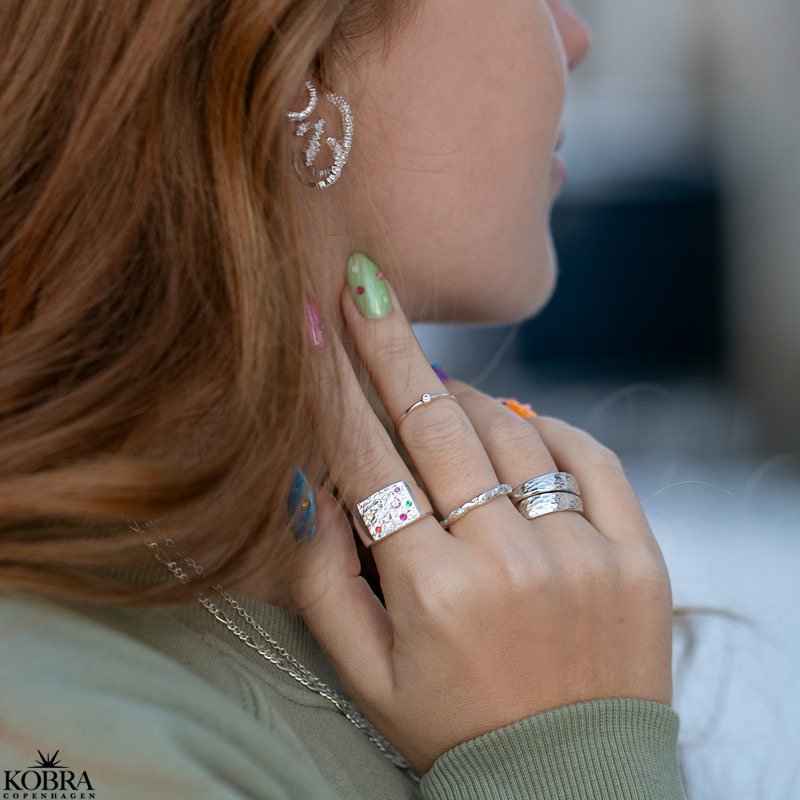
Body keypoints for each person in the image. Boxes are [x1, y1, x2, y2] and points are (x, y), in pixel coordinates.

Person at [0, 1, 688, 797]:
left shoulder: (492, 593)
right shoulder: (59, 732)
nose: (576, 37)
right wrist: (565, 757)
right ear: (298, 58)